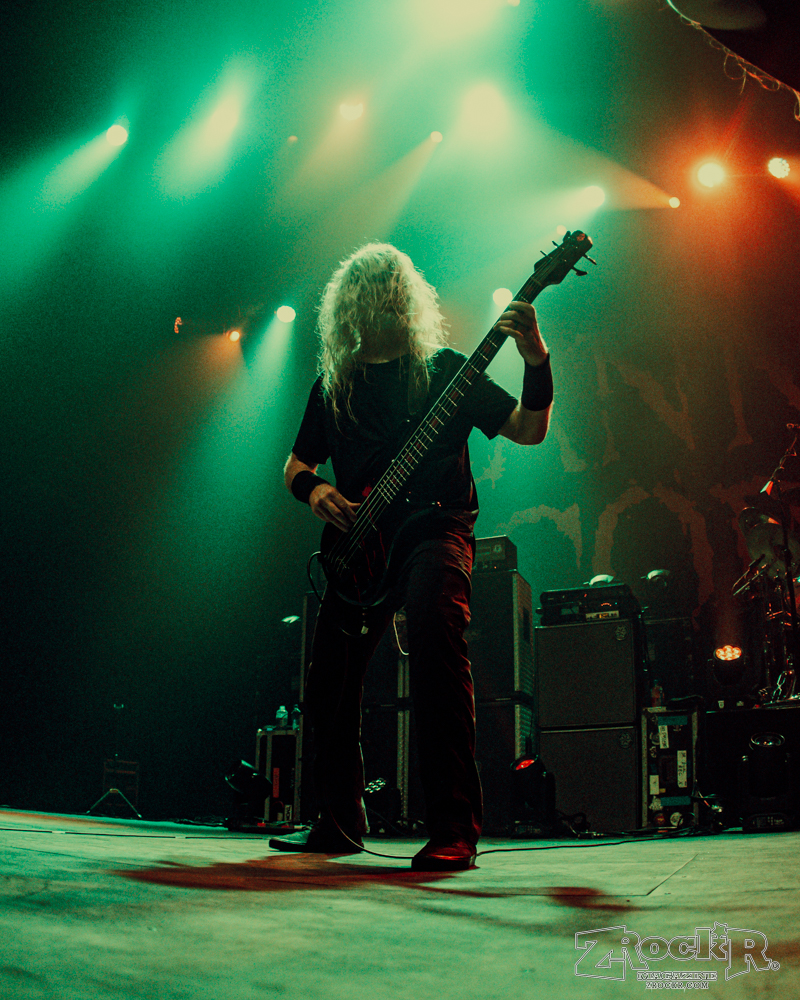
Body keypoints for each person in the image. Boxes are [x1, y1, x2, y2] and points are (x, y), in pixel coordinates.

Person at [270, 243, 552, 871]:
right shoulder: (335, 386)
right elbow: (295, 463)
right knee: (330, 678)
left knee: (435, 639)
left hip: (435, 531)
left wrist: (536, 357)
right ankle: (337, 820)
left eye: (386, 288)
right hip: (359, 546)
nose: (377, 299)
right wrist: (315, 490)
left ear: (405, 299)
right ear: (348, 307)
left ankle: (454, 828)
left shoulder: (447, 370)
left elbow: (530, 429)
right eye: (366, 291)